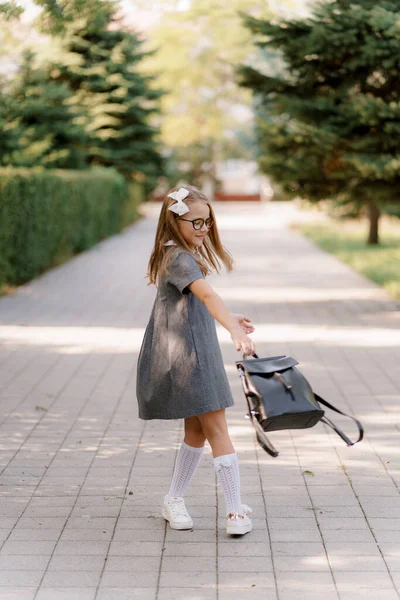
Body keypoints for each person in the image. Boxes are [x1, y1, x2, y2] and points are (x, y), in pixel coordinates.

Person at [136, 184, 256, 536]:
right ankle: (235, 513)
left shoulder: (177, 255)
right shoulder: (179, 258)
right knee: (218, 429)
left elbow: (194, 302)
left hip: (190, 353)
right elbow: (207, 293)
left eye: (208, 223)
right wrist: (234, 330)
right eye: (196, 223)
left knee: (197, 431)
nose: (203, 230)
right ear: (175, 222)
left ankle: (173, 499)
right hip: (190, 360)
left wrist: (231, 318)